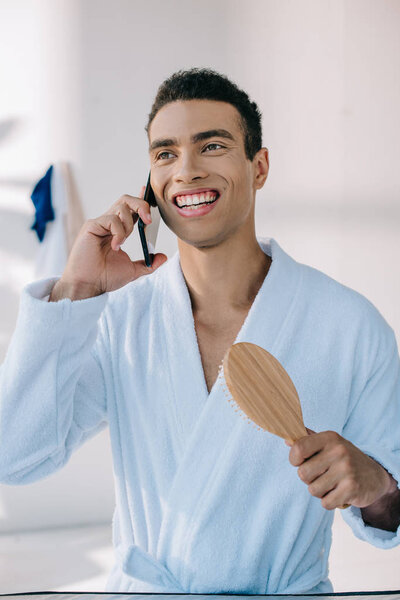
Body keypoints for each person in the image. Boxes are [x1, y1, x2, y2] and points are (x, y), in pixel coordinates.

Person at [1, 68, 400, 594]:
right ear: (150, 180)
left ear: (259, 167)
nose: (185, 170)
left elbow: (391, 511)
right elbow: (16, 455)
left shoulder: (348, 323)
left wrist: (375, 484)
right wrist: (75, 288)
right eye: (165, 153)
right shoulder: (123, 315)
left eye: (211, 146)